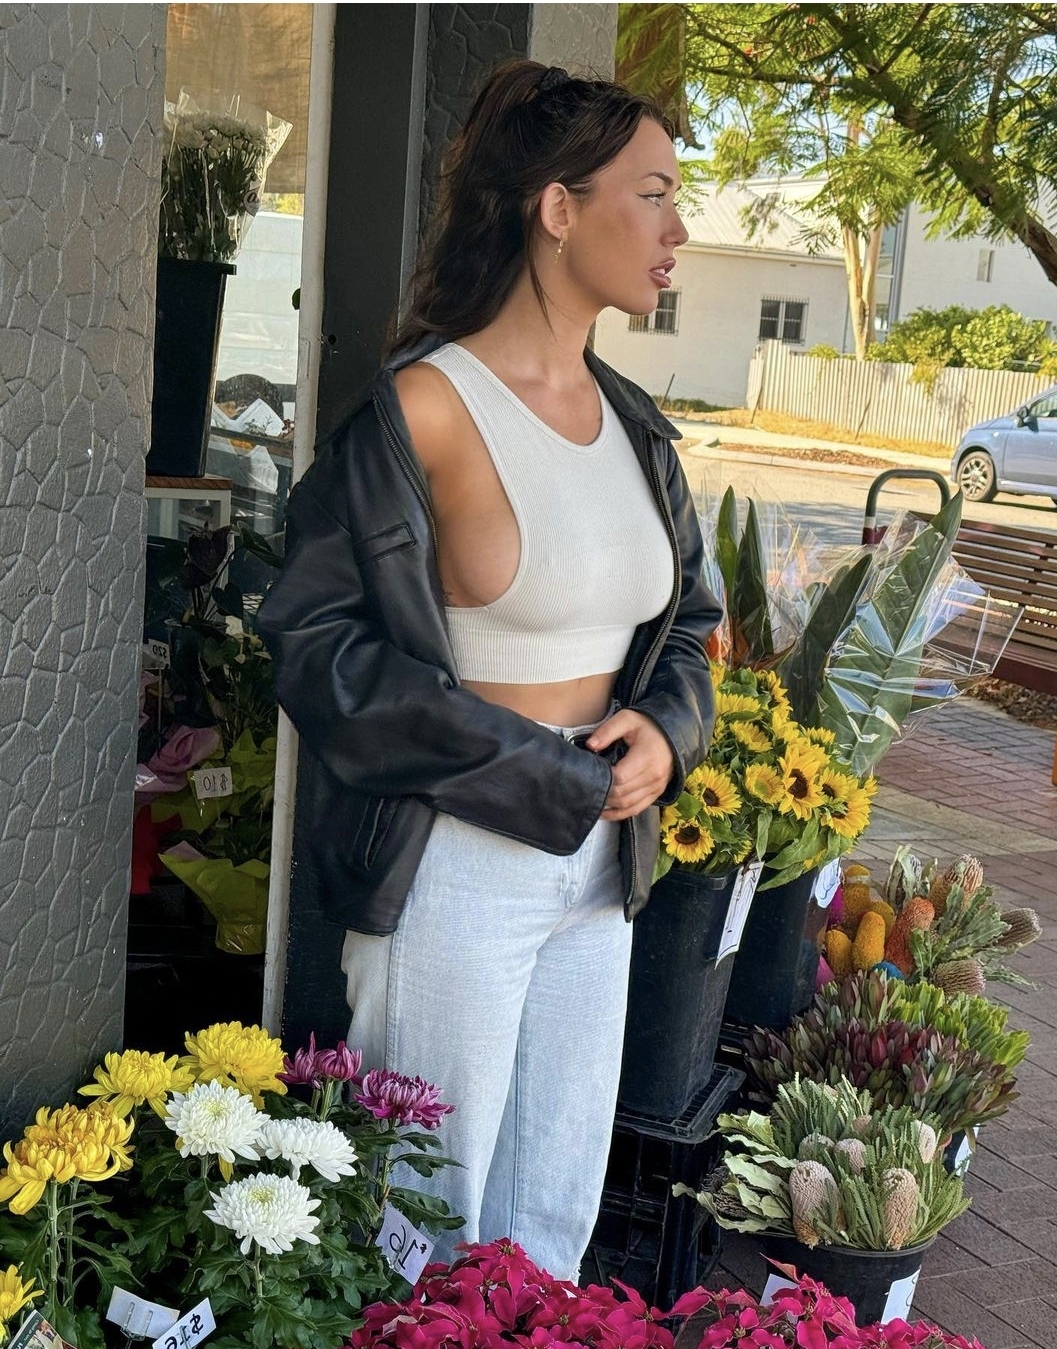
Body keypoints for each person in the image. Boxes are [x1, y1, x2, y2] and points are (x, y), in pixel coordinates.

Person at [255, 59, 722, 1280]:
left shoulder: (634, 424)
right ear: (557, 208)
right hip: (451, 859)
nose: (677, 229)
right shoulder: (425, 408)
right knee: (421, 1222)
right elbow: (315, 642)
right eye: (653, 194)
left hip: (600, 865)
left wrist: (665, 729)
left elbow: (690, 618)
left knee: (550, 1216)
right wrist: (536, 770)